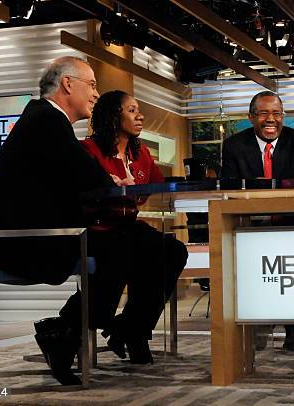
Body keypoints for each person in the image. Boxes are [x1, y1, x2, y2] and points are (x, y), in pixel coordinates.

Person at [0, 57, 187, 385]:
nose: (95, 93)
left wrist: (111, 187)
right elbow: (88, 178)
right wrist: (113, 186)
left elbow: (80, 180)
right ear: (67, 84)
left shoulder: (46, 120)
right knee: (121, 246)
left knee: (159, 248)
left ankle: (113, 330)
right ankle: (64, 331)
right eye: (91, 85)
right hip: (21, 240)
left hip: (41, 231)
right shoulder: (46, 120)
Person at [81, 90, 186, 363]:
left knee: (173, 250)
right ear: (113, 116)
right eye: (131, 110)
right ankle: (133, 333)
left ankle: (130, 328)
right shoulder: (88, 150)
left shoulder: (142, 154)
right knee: (142, 252)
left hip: (128, 226)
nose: (140, 116)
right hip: (98, 229)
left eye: (138, 110)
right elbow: (83, 196)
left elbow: (156, 186)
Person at [221, 90, 294, 352]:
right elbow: (229, 187)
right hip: (252, 224)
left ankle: (291, 326)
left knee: (287, 253)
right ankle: (257, 323)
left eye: (276, 113)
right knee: (251, 253)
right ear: (251, 117)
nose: (271, 119)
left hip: (292, 222)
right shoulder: (234, 145)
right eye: (263, 113)